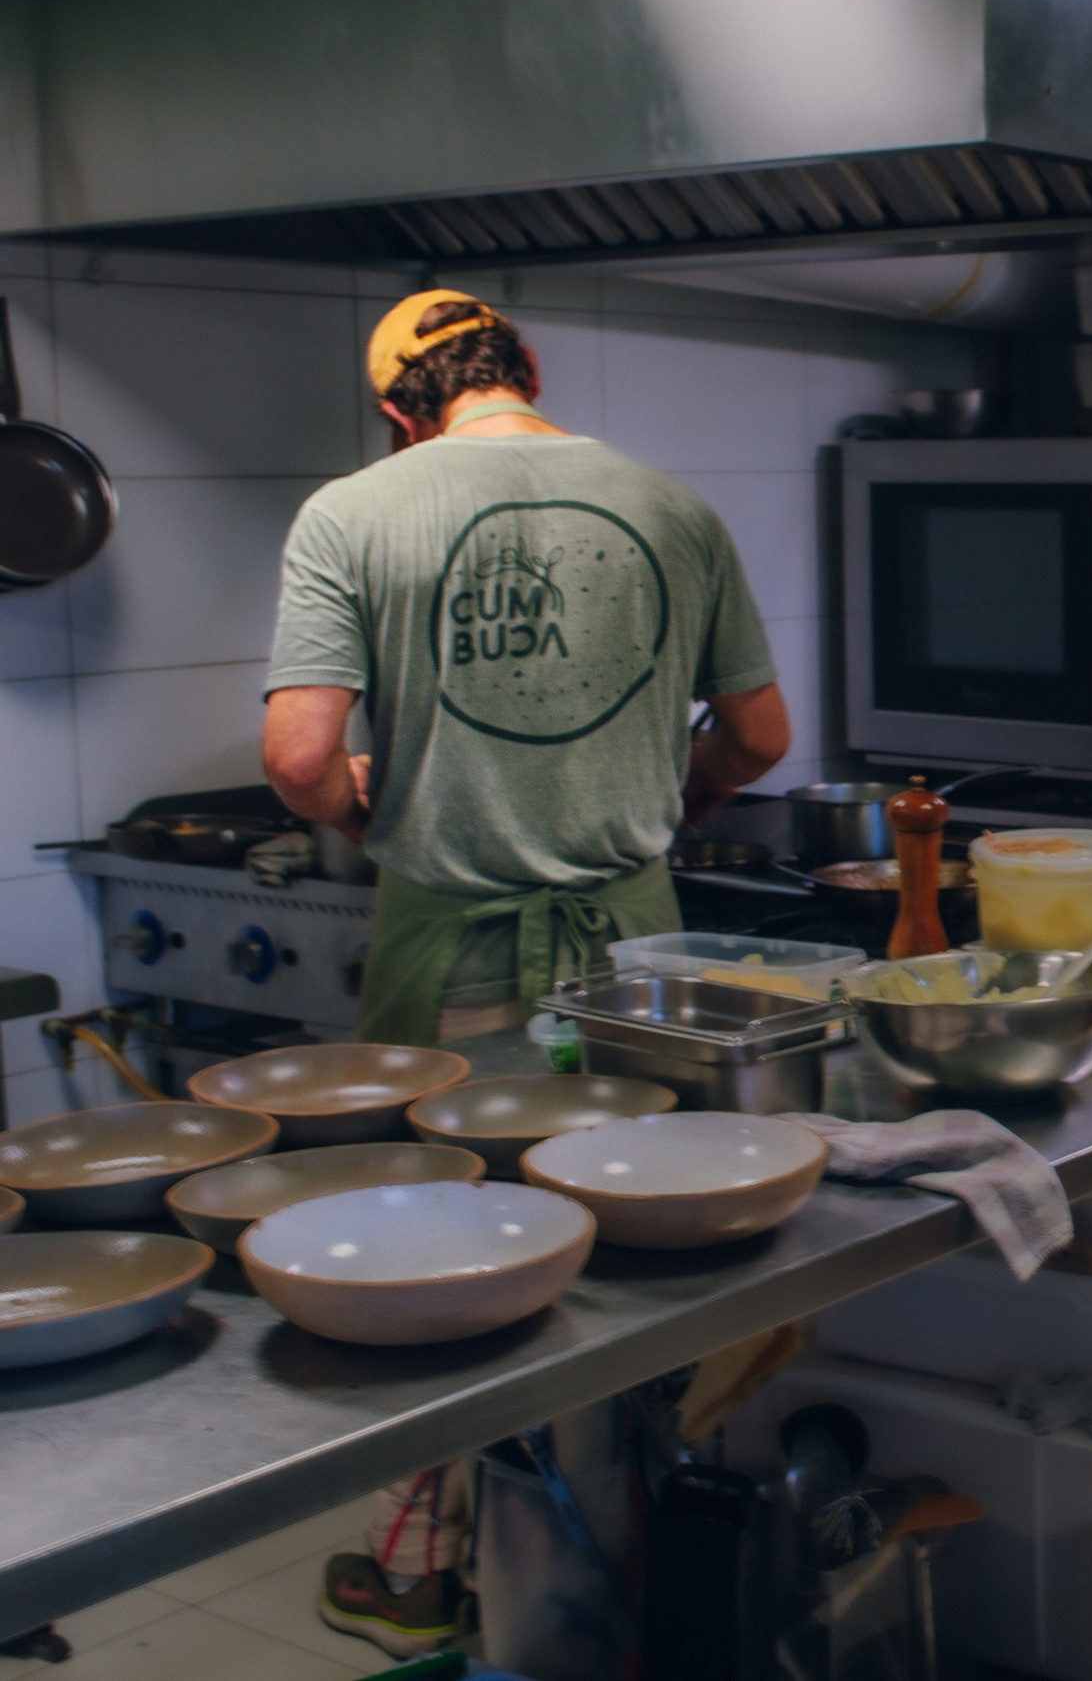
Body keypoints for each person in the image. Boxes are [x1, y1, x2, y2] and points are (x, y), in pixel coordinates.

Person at [259, 289, 791, 1655]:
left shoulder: (352, 516)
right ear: (529, 373)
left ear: (397, 412)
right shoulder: (668, 507)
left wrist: (363, 803)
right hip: (642, 975)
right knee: (636, 1269)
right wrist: (685, 784)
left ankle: (442, 1576)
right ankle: (650, 1557)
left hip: (456, 982)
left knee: (448, 1281)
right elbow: (762, 735)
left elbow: (301, 763)